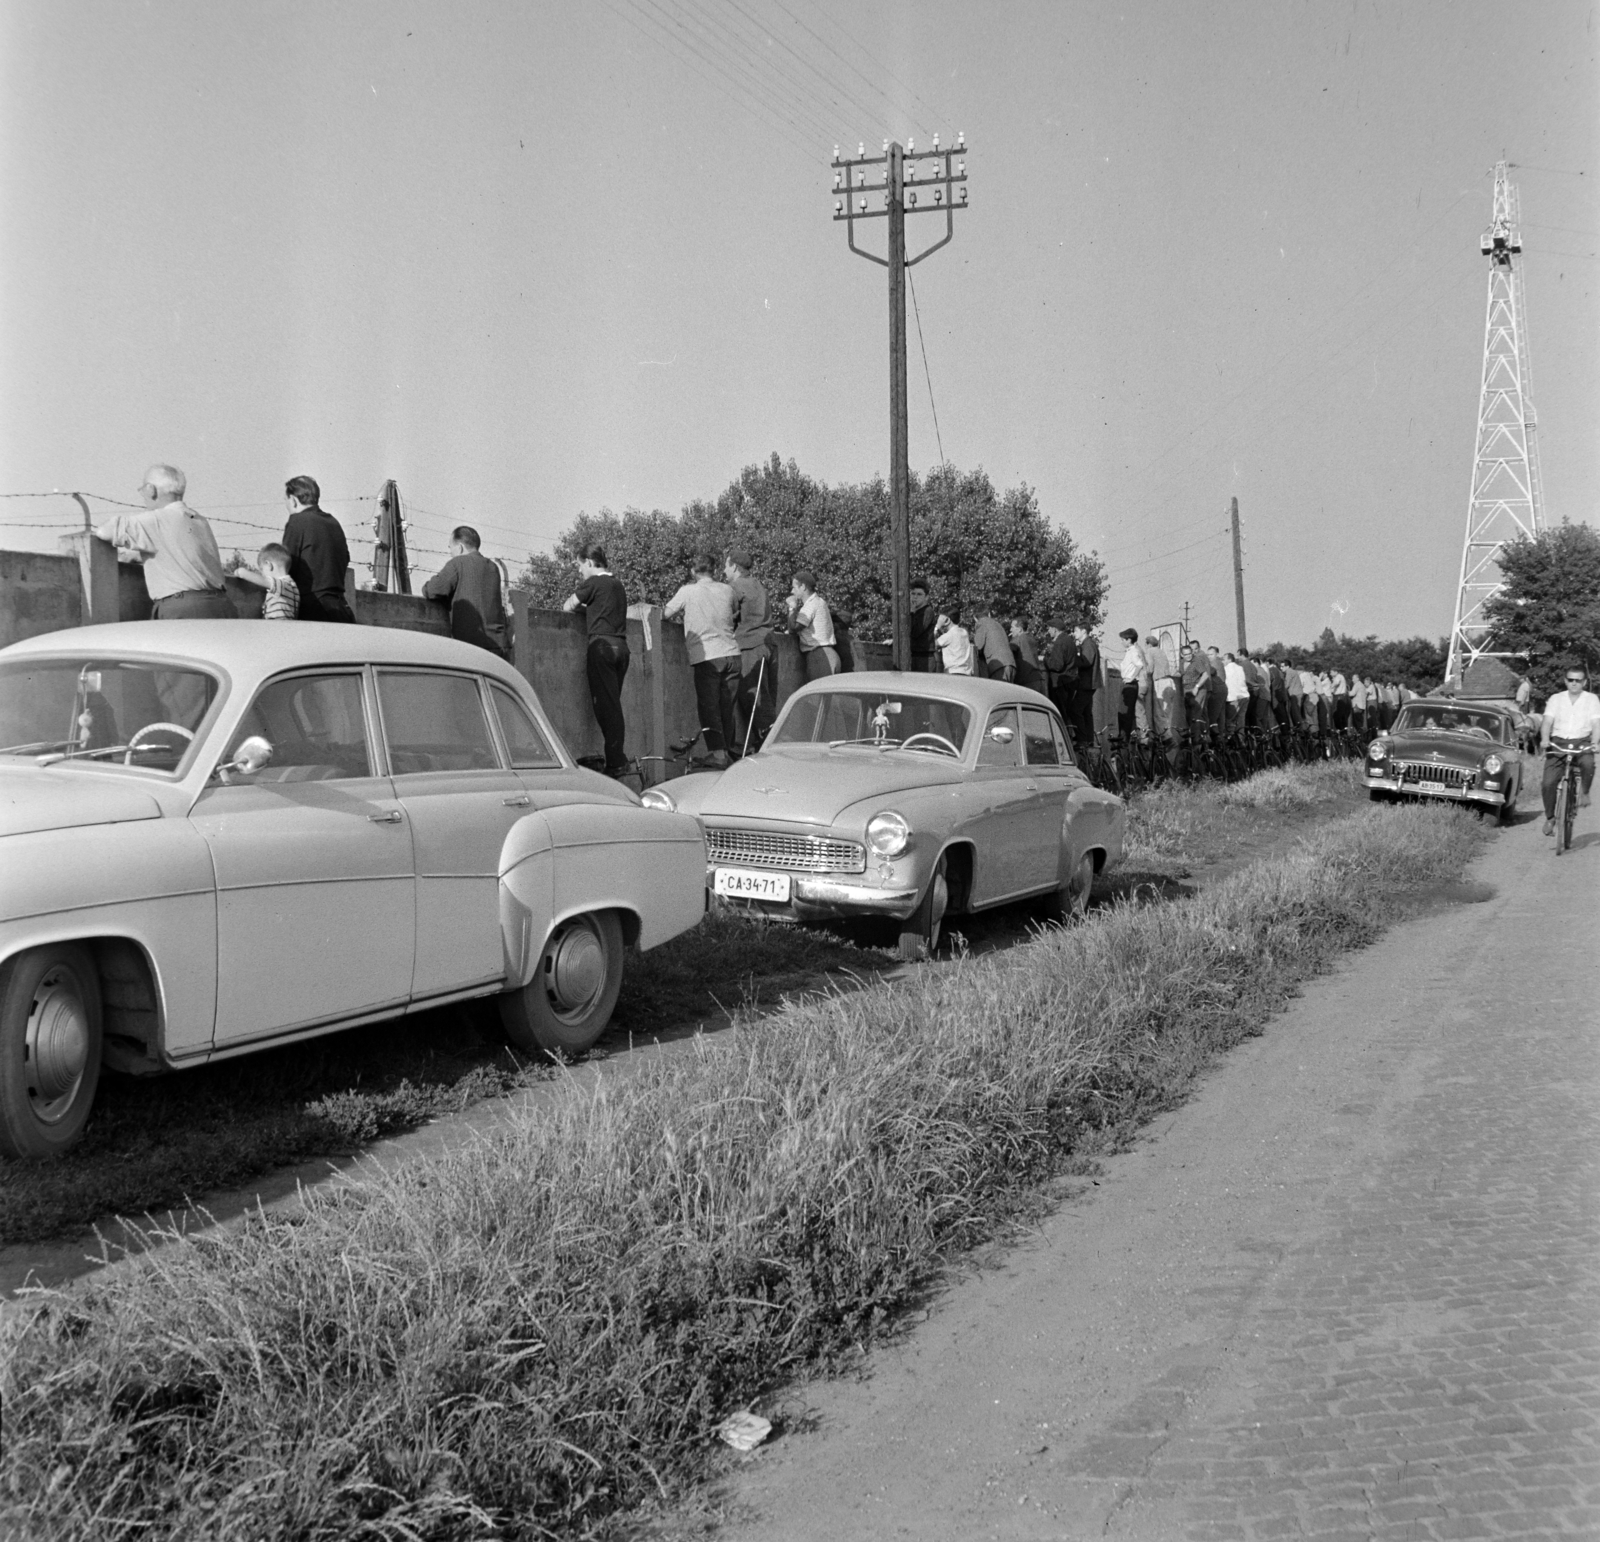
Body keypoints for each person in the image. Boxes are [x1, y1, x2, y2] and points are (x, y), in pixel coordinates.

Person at [94, 463, 232, 620]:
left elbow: (104, 531)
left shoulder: (156, 520)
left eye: (143, 489)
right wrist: (137, 556)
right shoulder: (198, 520)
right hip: (221, 606)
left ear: (151, 490)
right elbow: (181, 552)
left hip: (183, 609)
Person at [664, 554, 740, 769]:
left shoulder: (687, 591)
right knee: (727, 708)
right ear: (714, 570)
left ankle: (718, 755)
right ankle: (728, 752)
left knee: (709, 707)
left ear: (692, 571)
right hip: (733, 654)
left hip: (708, 656)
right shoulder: (727, 590)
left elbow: (665, 614)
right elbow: (735, 611)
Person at [563, 546, 631, 777]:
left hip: (601, 647)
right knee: (613, 705)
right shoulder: (617, 585)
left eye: (580, 565)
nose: (580, 571)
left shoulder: (593, 583)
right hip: (621, 647)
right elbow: (604, 611)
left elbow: (568, 605)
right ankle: (617, 758)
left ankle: (616, 762)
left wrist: (582, 608)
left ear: (590, 562)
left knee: (606, 708)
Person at [422, 526, 507, 655]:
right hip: (498, 644)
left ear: (460, 547)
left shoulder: (457, 563)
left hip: (471, 646)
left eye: (450, 547)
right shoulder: (493, 567)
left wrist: (426, 587)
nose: (450, 553)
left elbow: (433, 589)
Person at [281, 475, 355, 623]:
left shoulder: (297, 522)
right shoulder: (333, 523)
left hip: (313, 609)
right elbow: (345, 558)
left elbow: (286, 565)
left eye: (286, 500)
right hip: (341, 607)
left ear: (294, 500)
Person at [1539, 666, 1600, 836]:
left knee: (1588, 763)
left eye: (1578, 680)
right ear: (1566, 681)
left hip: (1581, 741)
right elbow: (1547, 721)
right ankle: (1550, 818)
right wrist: (1545, 739)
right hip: (1558, 742)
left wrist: (1595, 742)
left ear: (1584, 682)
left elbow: (1596, 723)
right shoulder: (1556, 699)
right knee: (1548, 783)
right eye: (1571, 680)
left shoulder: (1592, 699)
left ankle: (1584, 792)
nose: (1574, 683)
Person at [725, 547, 774, 754]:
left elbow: (728, 616)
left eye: (726, 566)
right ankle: (761, 742)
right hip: (767, 644)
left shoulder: (736, 587)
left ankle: (766, 745)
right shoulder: (758, 585)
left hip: (750, 646)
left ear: (734, 567)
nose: (724, 571)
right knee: (765, 697)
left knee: (754, 698)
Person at [786, 572, 839, 680]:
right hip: (828, 655)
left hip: (819, 657)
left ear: (803, 587)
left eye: (794, 587)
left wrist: (792, 607)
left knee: (818, 690)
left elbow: (793, 628)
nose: (792, 591)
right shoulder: (819, 601)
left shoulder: (811, 605)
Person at [232, 542, 299, 620]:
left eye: (262, 569)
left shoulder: (281, 584)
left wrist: (241, 572)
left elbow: (263, 580)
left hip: (277, 625)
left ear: (269, 565)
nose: (262, 574)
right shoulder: (293, 587)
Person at [1070, 623, 1100, 750]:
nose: (1074, 634)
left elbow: (1086, 662)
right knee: (1086, 712)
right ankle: (1088, 739)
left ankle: (1082, 739)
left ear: (1083, 631)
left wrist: (1073, 658)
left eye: (1076, 631)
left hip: (1087, 683)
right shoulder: (1088, 644)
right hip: (1088, 683)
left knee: (1075, 710)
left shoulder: (1088, 644)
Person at [1043, 617, 1077, 720]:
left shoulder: (1059, 642)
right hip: (1070, 681)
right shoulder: (1069, 640)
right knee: (1066, 712)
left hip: (1060, 683)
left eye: (1050, 628)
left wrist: (1046, 659)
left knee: (1059, 714)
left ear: (1055, 629)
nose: (1048, 631)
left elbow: (1057, 666)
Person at [973, 605, 1015, 681]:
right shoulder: (998, 624)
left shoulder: (981, 624)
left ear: (975, 618)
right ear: (989, 614)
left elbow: (978, 647)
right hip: (1011, 663)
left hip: (998, 666)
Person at [909, 579, 938, 672]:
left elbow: (915, 632)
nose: (915, 597)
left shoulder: (927, 611)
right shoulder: (915, 612)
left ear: (926, 597)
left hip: (925, 658)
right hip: (915, 656)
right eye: (913, 594)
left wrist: (911, 612)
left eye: (919, 594)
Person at [1010, 619, 1044, 693]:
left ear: (1019, 629)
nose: (1010, 630)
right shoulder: (1031, 638)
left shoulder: (1018, 640)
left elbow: (1007, 652)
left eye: (1012, 627)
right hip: (1038, 678)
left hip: (1026, 682)